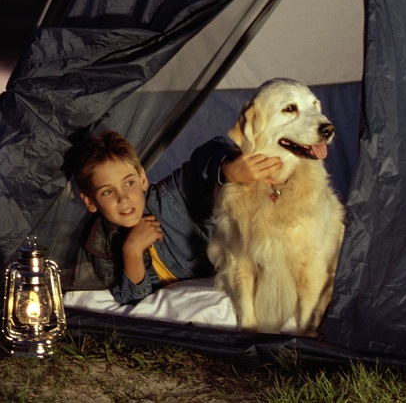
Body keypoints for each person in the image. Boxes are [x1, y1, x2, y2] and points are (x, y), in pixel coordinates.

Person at [71, 130, 281, 304]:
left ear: (142, 179)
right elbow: (132, 300)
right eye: (107, 192)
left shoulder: (169, 199)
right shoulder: (99, 244)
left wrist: (228, 170)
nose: (123, 198)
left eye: (129, 183)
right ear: (90, 202)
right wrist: (132, 251)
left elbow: (207, 155)